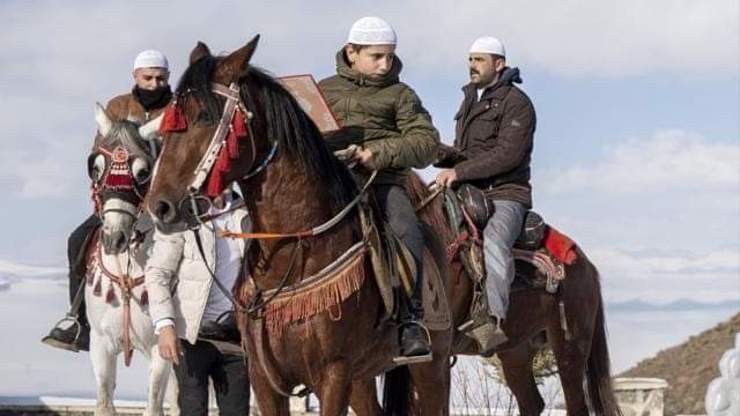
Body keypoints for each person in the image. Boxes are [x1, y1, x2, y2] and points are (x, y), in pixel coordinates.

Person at [318, 16, 440, 359]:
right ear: (352, 52)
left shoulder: (401, 95)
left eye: (390, 56)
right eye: (377, 56)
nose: (386, 64)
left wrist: (378, 154)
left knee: (406, 228)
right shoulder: (322, 90)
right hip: (329, 181)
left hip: (382, 182)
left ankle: (410, 320)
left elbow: (426, 142)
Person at [42, 50, 173, 352]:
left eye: (160, 78)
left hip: (165, 203)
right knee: (77, 240)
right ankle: (79, 321)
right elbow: (100, 152)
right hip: (122, 197)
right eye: (148, 77)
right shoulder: (118, 105)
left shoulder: (178, 109)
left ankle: (215, 319)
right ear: (136, 76)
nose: (154, 83)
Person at [435, 36, 536, 352]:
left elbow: (508, 155)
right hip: (469, 191)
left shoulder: (517, 103)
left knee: (494, 242)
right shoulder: (470, 99)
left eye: (479, 60)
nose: (472, 65)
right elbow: (467, 152)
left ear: (499, 64)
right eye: (470, 59)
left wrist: (459, 172)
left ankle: (491, 323)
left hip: (505, 194)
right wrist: (438, 153)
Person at [146, 187, 251, 415]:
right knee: (193, 410)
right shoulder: (182, 214)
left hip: (235, 338)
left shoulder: (246, 212)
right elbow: (157, 274)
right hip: (193, 336)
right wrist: (165, 325)